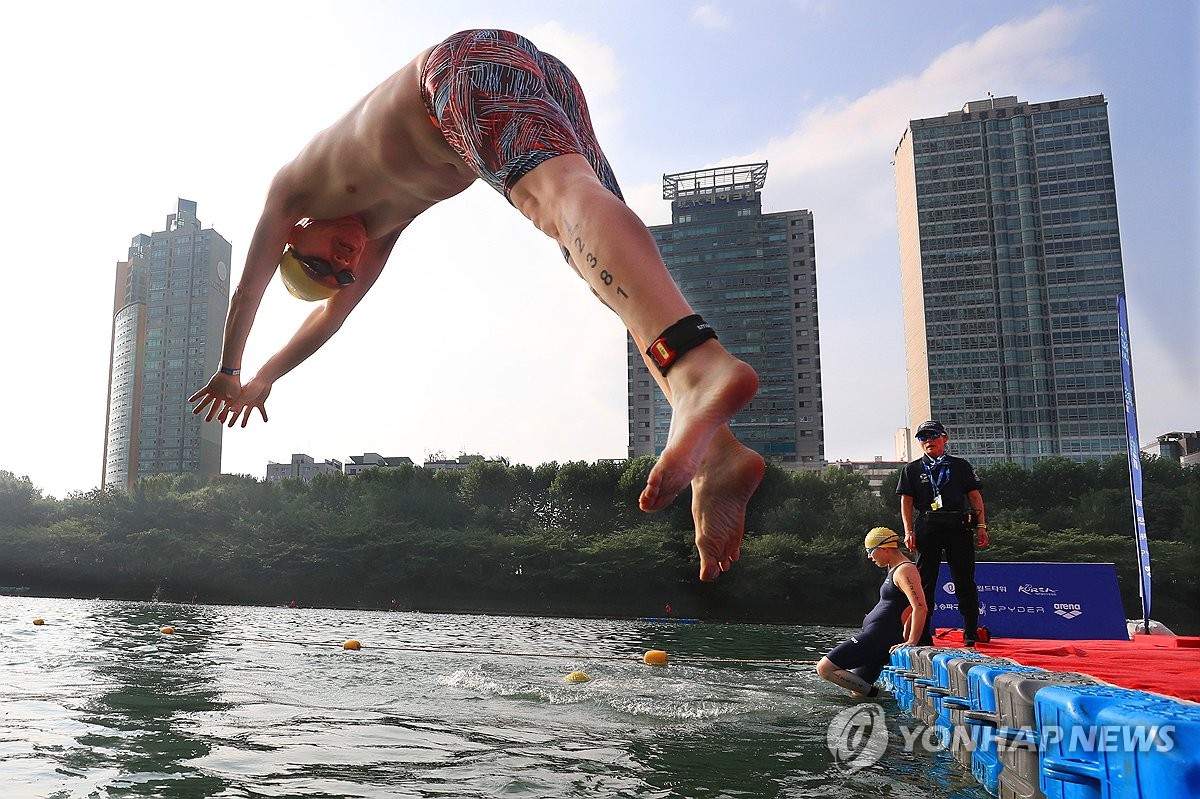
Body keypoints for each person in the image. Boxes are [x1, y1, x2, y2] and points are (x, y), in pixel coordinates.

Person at [187, 29, 765, 581]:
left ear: (294, 237)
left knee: (557, 203)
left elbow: (249, 287)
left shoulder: (291, 192)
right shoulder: (377, 233)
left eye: (319, 264)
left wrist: (234, 369)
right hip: (545, 83)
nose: (343, 265)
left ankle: (698, 365)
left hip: (462, 70)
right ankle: (716, 451)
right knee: (595, 263)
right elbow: (333, 316)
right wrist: (269, 379)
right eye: (339, 275)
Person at [896, 420, 988, 646]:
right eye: (923, 437)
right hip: (928, 526)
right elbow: (906, 502)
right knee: (925, 582)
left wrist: (982, 526)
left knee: (964, 579)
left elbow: (975, 497)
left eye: (933, 435)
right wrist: (908, 531)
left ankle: (970, 631)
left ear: (944, 438)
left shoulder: (960, 465)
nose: (928, 441)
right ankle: (923, 633)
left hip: (958, 525)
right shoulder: (912, 469)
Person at [816, 527, 927, 698]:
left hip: (879, 637)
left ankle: (879, 695)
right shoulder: (895, 569)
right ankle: (879, 700)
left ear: (884, 548)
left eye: (870, 551)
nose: (869, 556)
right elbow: (909, 609)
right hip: (878, 636)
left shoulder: (905, 570)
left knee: (824, 668)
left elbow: (920, 607)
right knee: (858, 690)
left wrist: (912, 640)